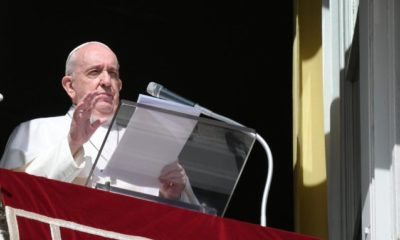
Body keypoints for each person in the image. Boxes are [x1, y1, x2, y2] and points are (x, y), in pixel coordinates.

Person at [0, 41, 199, 203]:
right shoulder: (35, 131)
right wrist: (72, 144)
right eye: (94, 72)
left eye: (112, 74)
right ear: (70, 86)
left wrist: (171, 196)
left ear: (119, 86)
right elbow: (11, 200)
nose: (106, 81)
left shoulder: (149, 144)